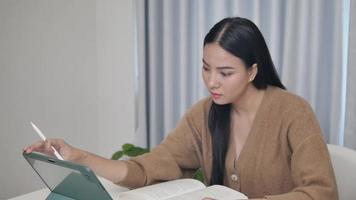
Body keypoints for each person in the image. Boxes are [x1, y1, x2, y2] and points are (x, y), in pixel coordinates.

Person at [24, 17, 338, 200]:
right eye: (205, 68)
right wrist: (78, 157)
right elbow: (149, 168)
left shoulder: (293, 112)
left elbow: (321, 193)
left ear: (253, 71)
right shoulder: (205, 114)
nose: (212, 82)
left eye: (225, 73)